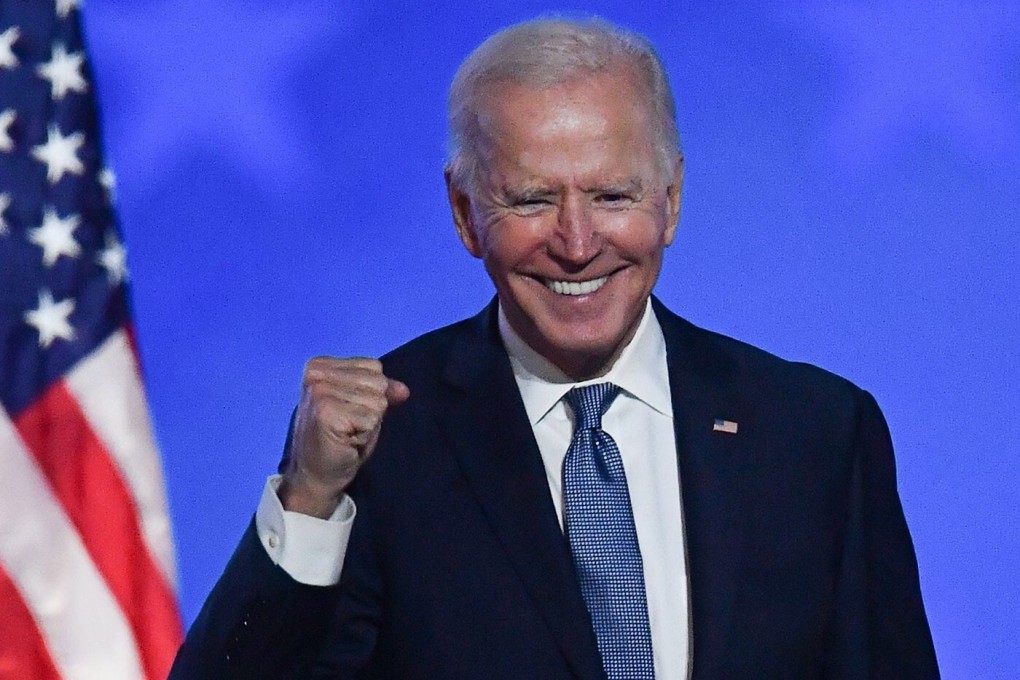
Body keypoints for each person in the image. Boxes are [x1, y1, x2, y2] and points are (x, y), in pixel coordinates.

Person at [170, 17, 939, 680]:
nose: (577, 244)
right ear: (465, 214)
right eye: (532, 200)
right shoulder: (383, 442)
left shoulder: (814, 432)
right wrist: (310, 501)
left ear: (670, 200)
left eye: (612, 196)